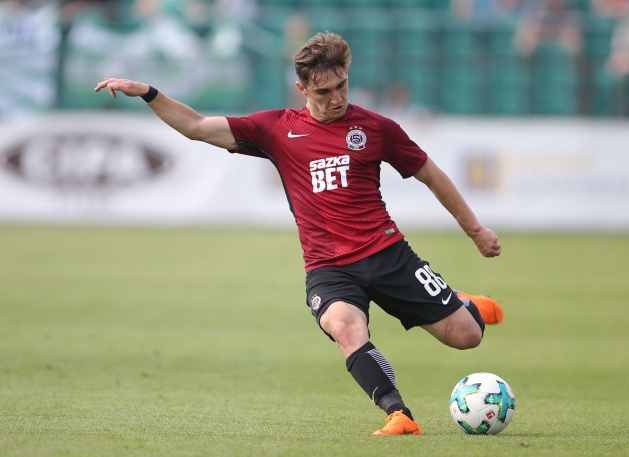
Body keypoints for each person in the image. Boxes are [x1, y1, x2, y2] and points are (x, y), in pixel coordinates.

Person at [94, 32, 504, 436]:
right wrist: (148, 93)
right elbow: (197, 125)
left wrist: (475, 230)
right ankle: (398, 414)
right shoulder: (277, 128)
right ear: (302, 88)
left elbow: (430, 174)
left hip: (387, 254)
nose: (336, 98)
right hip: (329, 267)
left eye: (342, 86)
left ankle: (462, 303)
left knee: (467, 337)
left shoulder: (376, 128)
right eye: (324, 91)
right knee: (344, 327)